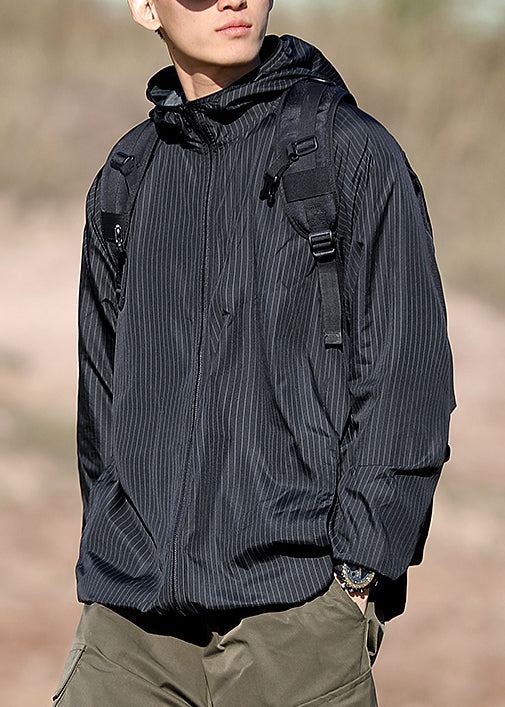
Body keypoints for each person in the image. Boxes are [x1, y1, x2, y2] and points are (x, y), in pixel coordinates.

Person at [53, 1, 455, 705]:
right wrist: (111, 545)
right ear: (144, 7)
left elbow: (406, 376)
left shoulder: (351, 152)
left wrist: (356, 578)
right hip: (132, 626)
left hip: (295, 618)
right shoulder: (126, 176)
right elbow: (102, 394)